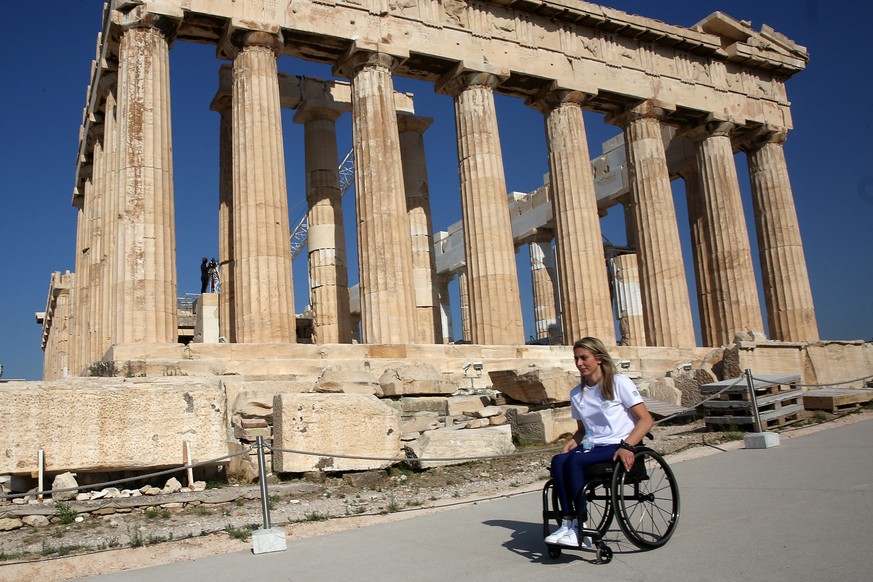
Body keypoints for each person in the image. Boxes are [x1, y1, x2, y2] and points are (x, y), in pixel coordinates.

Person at [545, 336, 654, 548]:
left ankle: (582, 526)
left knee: (575, 463)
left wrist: (628, 445)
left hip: (619, 444)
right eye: (576, 359)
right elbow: (583, 431)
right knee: (559, 461)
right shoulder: (577, 393)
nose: (579, 364)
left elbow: (646, 419)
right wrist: (572, 442)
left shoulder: (618, 383)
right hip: (593, 445)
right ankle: (568, 523)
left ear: (599, 358)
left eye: (584, 358)